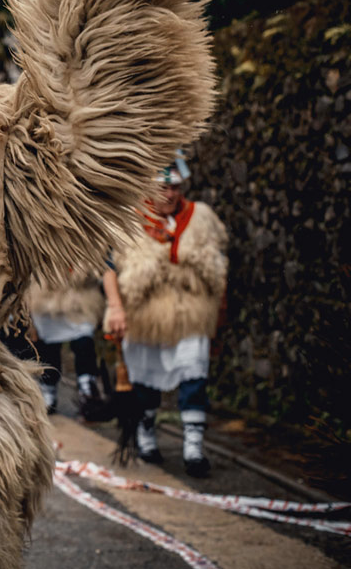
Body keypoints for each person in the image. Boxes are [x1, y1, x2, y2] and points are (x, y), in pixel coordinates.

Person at [103, 152, 228, 477]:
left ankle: (193, 448)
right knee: (145, 379)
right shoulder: (129, 221)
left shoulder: (200, 218)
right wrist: (115, 307)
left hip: (189, 314)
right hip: (145, 318)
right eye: (161, 187)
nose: (168, 194)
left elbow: (216, 270)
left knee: (193, 374)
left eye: (173, 187)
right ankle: (146, 436)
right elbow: (109, 266)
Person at [25, 270, 109, 419]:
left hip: (81, 294)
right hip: (46, 293)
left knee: (84, 341)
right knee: (48, 344)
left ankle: (88, 391)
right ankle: (48, 388)